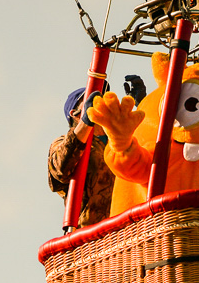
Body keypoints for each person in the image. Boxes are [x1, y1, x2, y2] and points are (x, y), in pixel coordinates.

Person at [47, 75, 145, 228]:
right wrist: (86, 123)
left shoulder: (123, 140)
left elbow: (152, 153)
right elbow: (60, 169)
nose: (101, 103)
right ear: (75, 113)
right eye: (93, 101)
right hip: (92, 236)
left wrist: (142, 107)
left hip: (132, 228)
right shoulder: (63, 142)